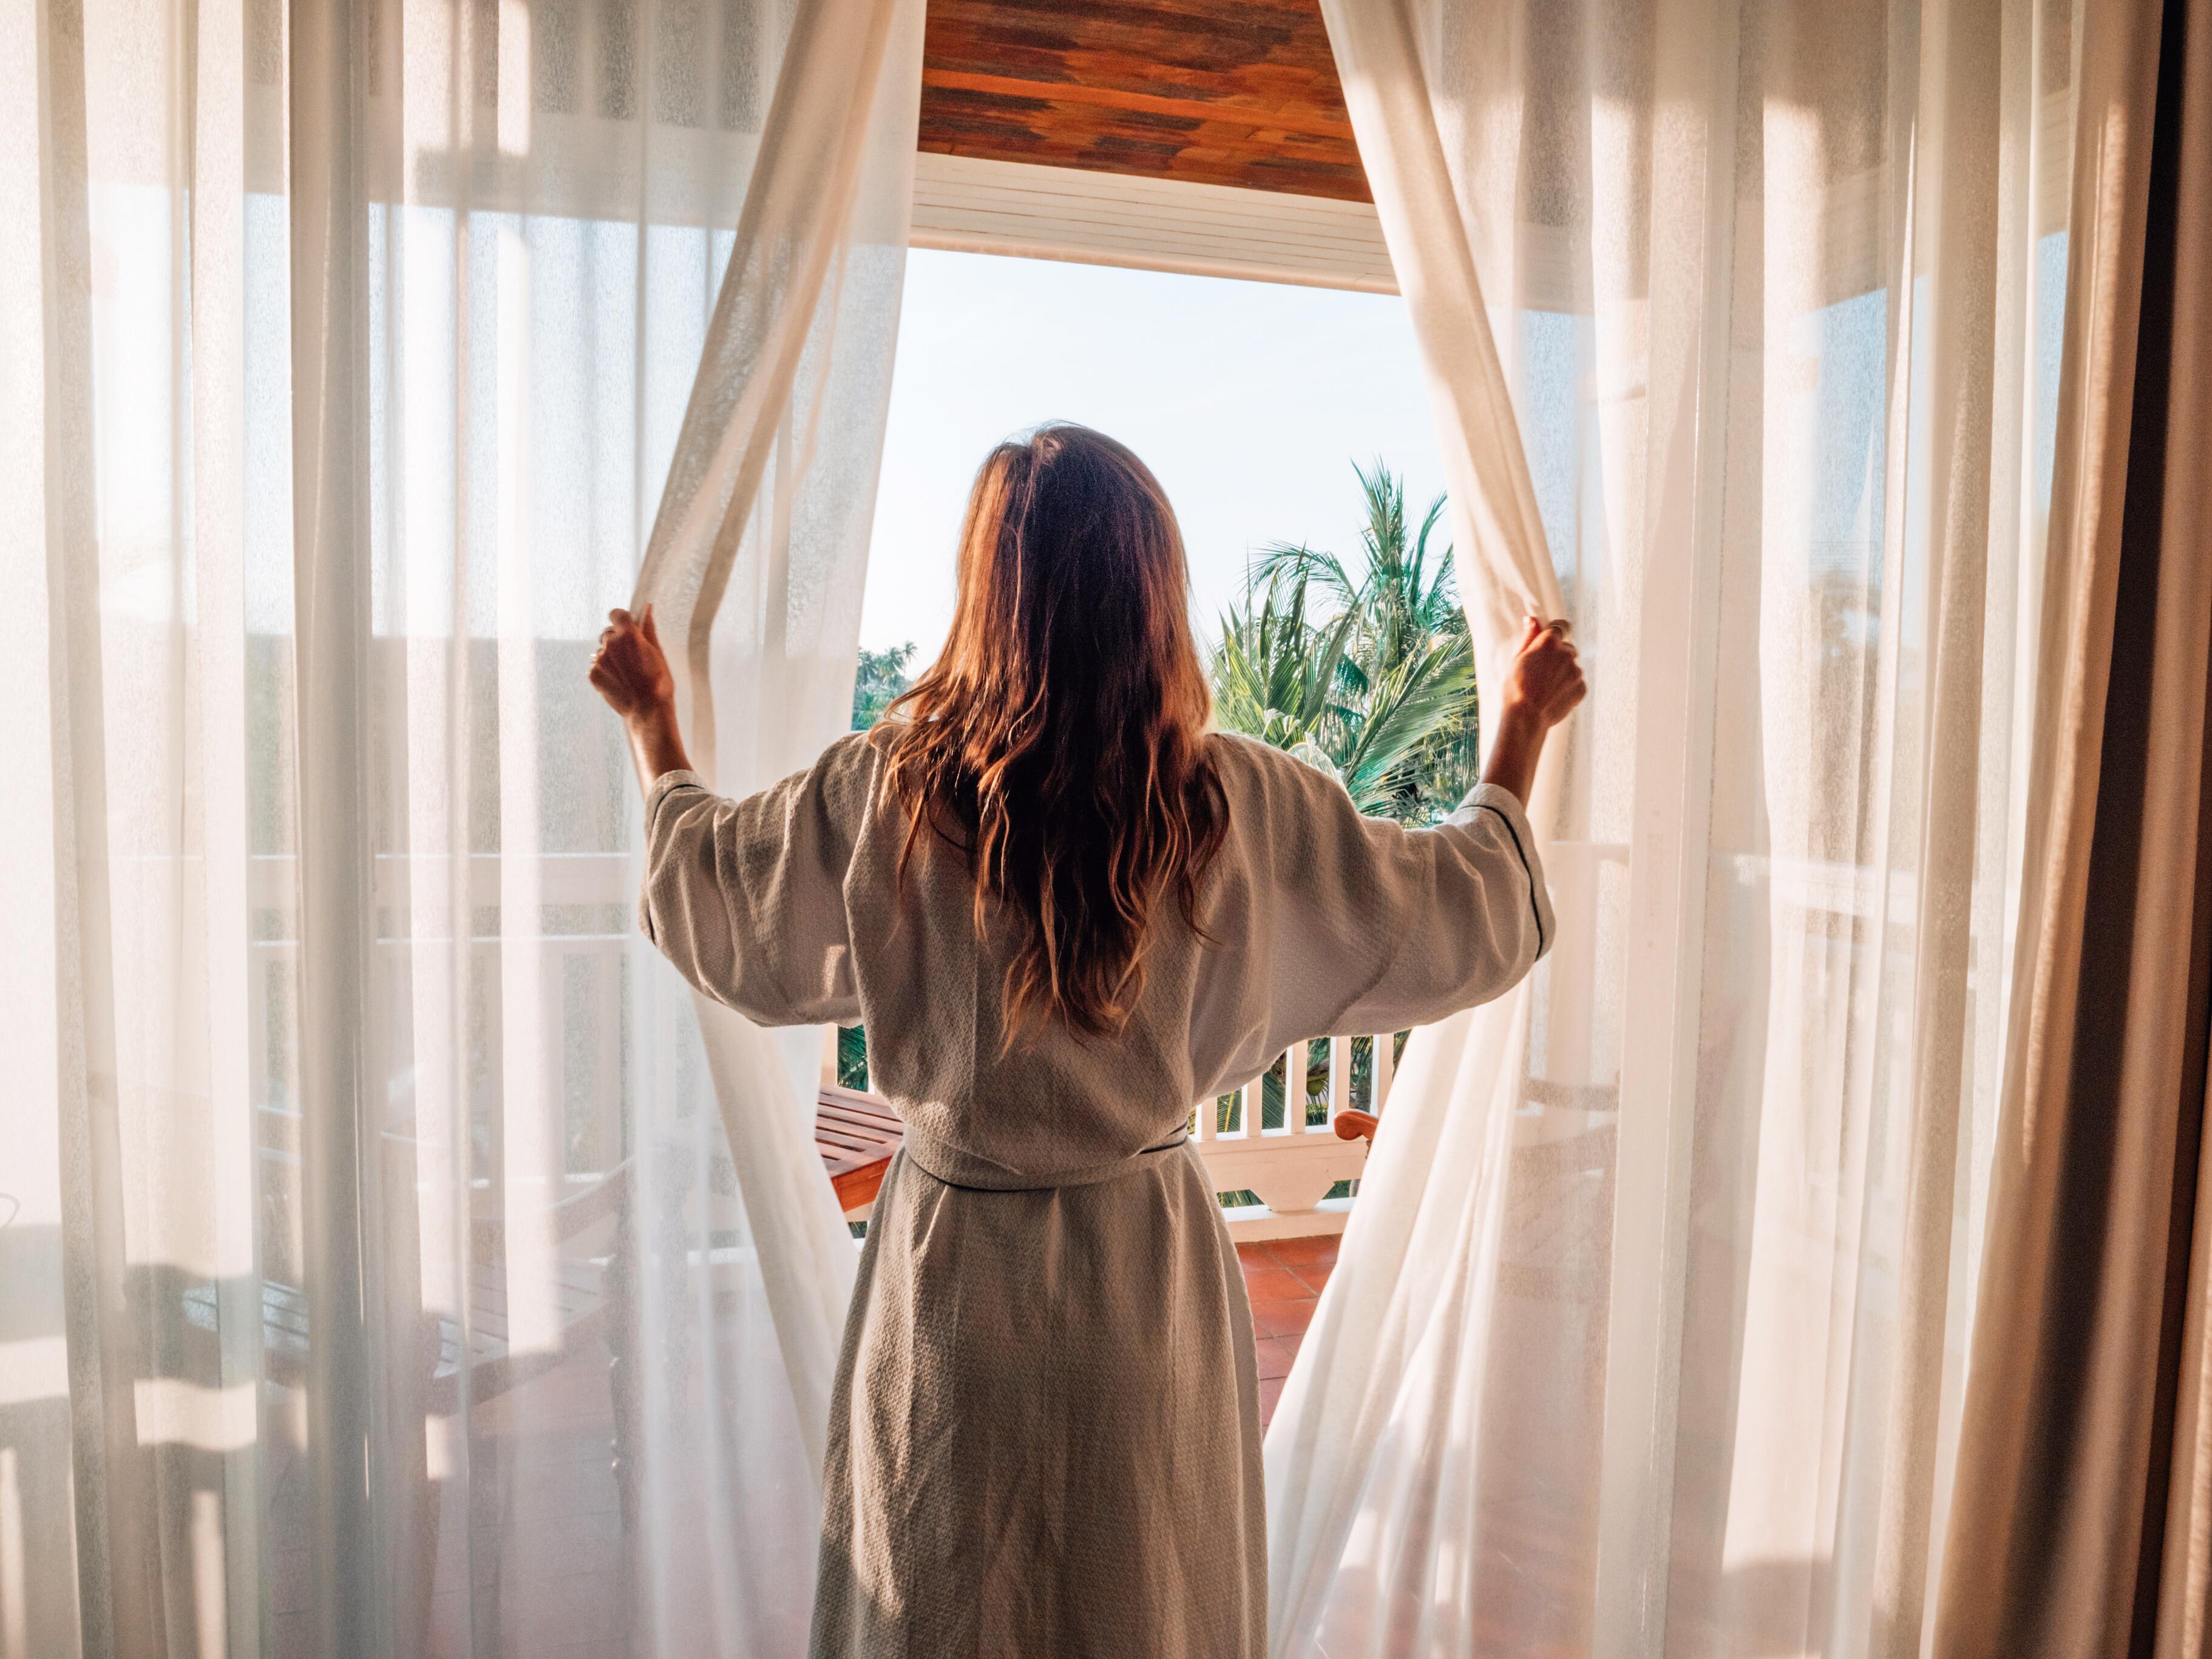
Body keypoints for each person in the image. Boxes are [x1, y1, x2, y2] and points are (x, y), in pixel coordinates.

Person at [588, 423, 1584, 1659]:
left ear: (984, 594)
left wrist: (652, 728)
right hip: (1143, 1287)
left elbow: (716, 901)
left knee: (941, 1599)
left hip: (954, 1282)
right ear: (1155, 595)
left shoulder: (885, 794)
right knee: (1142, 1599)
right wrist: (1520, 731)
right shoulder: (1237, 805)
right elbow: (1455, 913)